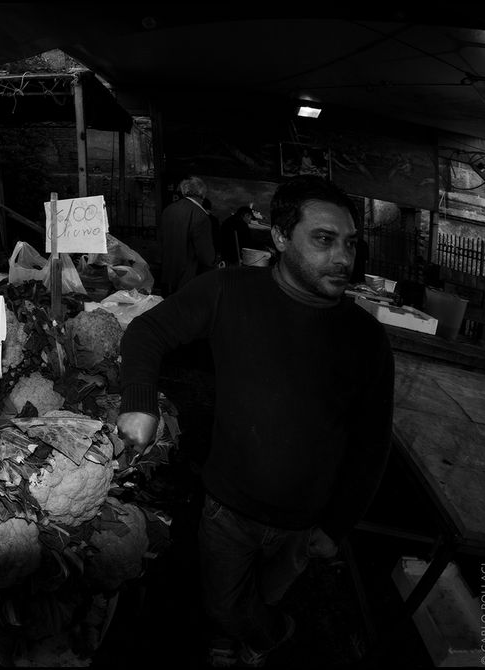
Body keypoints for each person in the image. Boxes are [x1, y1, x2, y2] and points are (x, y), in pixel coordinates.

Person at [117, 175, 394, 667]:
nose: (343, 259)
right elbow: (146, 330)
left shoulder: (367, 338)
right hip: (228, 510)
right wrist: (140, 403)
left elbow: (371, 444)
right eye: (324, 240)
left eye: (350, 244)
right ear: (281, 238)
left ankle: (242, 638)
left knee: (264, 598)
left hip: (303, 524)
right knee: (223, 599)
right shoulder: (228, 291)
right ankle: (268, 637)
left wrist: (337, 525)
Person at [160, 176, 217, 295]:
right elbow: (205, 254)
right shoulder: (201, 216)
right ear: (202, 194)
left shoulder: (169, 210)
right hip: (188, 278)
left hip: (167, 272)